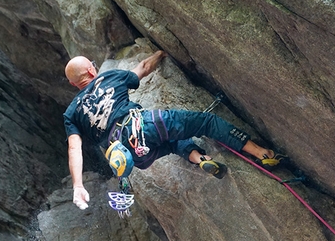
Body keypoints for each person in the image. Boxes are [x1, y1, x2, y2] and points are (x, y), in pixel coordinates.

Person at [63, 50, 277, 210]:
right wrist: (161, 52)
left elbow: (74, 149)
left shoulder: (71, 114)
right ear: (92, 70)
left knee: (174, 143)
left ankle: (199, 159)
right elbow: (145, 67)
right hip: (143, 125)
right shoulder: (108, 77)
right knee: (206, 122)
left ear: (74, 84)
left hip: (134, 156)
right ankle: (261, 153)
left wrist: (78, 186)